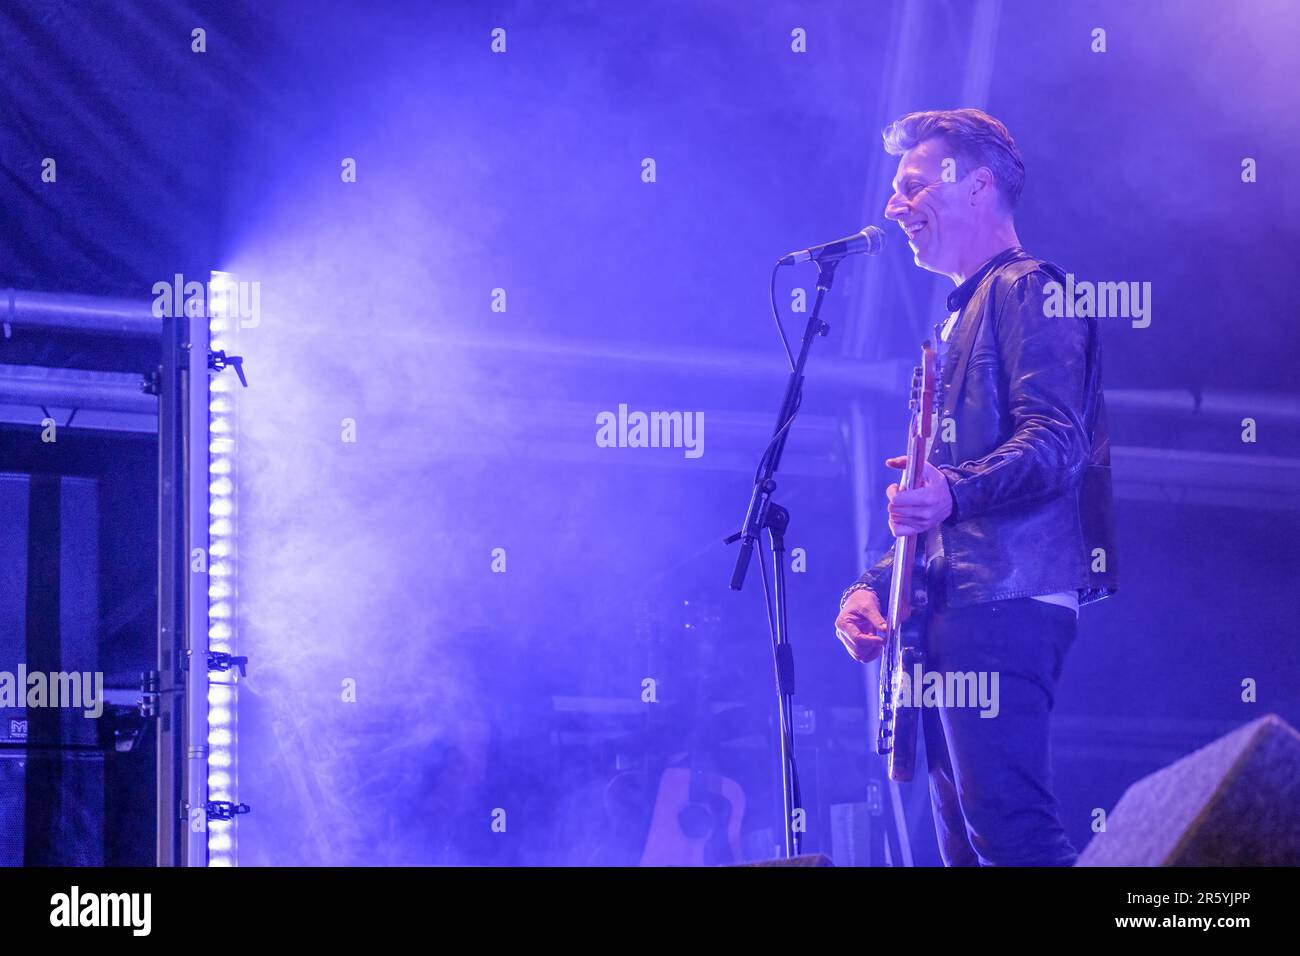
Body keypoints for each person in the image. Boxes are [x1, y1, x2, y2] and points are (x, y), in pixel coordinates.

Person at [834, 109, 1117, 866]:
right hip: (954, 601)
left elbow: (1058, 439)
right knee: (967, 842)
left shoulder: (1032, 289)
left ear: (978, 184)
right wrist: (872, 584)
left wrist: (952, 491)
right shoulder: (957, 323)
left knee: (1010, 832)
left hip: (1005, 597)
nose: (894, 207)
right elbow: (937, 506)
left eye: (913, 186)